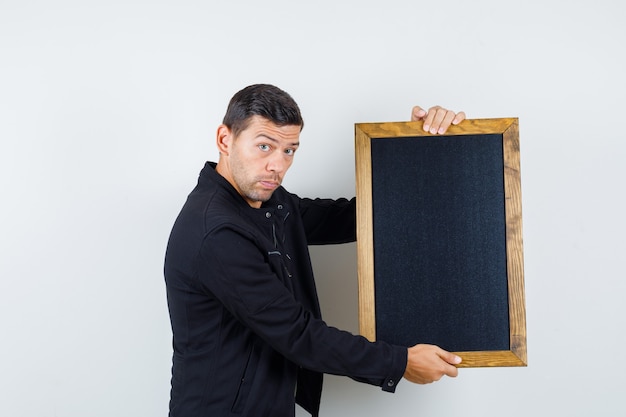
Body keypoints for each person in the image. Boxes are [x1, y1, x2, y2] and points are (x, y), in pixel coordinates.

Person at [164, 84, 466, 417]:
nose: (277, 166)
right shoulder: (217, 233)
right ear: (225, 140)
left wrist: (415, 147)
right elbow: (299, 335)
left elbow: (360, 218)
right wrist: (401, 362)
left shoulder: (270, 203)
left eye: (289, 150)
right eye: (264, 146)